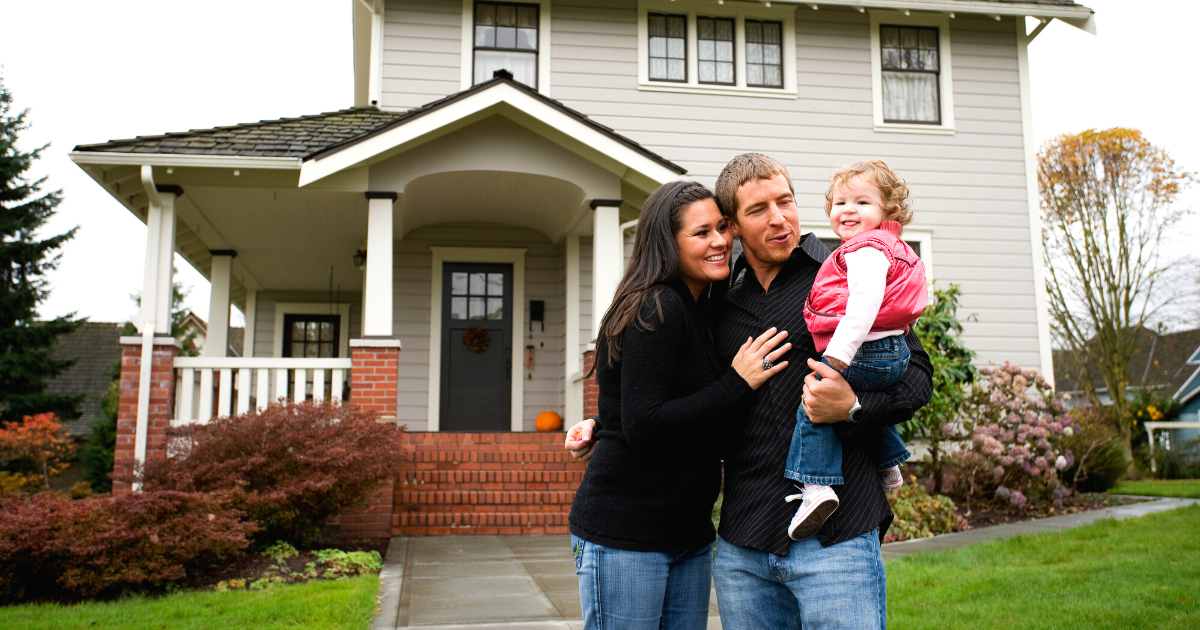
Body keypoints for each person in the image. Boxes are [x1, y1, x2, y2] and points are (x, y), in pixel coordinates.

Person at [568, 153, 933, 630]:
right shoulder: (718, 298)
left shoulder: (843, 274)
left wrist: (855, 408)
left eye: (786, 201)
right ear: (735, 226)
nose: (779, 218)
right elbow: (673, 389)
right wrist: (607, 422)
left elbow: (917, 375)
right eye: (758, 209)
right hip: (745, 544)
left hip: (836, 538)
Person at [566, 179, 790, 630]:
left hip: (686, 532)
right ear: (667, 244)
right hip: (629, 532)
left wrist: (600, 421)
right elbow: (645, 422)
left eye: (722, 227)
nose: (720, 241)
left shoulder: (699, 307)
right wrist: (737, 382)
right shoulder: (657, 306)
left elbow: (649, 399)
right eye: (701, 233)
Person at [784, 160, 927, 541]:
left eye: (862, 202)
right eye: (841, 202)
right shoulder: (885, 246)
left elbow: (863, 307)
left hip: (867, 351)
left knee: (815, 398)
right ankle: (889, 461)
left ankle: (816, 487)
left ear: (888, 212)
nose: (848, 210)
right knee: (850, 400)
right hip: (889, 351)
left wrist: (836, 358)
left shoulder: (866, 249)